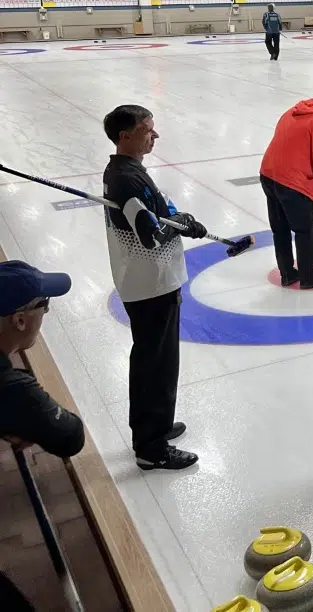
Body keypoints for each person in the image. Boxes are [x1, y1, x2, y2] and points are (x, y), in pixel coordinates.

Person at [102, 104, 206, 471]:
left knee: (162, 360)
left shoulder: (127, 170)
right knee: (154, 363)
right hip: (150, 284)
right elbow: (151, 236)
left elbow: (158, 213)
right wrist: (177, 223)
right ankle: (150, 445)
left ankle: (157, 425)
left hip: (154, 281)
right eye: (148, 129)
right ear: (125, 136)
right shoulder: (127, 179)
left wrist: (180, 219)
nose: (155, 135)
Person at [0, 262, 86, 612]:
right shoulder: (11, 389)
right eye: (44, 306)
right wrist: (20, 416)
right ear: (19, 320)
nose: (45, 314)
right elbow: (69, 435)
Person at [260, 89, 313, 290]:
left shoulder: (291, 112)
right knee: (305, 231)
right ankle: (308, 276)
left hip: (269, 175)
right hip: (293, 182)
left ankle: (287, 273)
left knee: (280, 229)